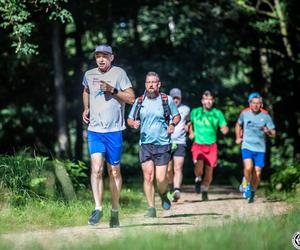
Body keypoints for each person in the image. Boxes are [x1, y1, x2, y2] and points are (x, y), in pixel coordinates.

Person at [82, 44, 135, 227]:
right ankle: (98, 208)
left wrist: (113, 90)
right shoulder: (89, 74)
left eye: (105, 55)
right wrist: (86, 108)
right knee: (96, 169)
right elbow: (86, 90)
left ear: (112, 57)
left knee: (114, 172)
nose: (101, 59)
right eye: (98, 56)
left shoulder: (119, 73)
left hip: (114, 131)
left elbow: (131, 98)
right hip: (95, 130)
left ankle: (114, 210)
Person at [127, 72, 181, 218]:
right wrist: (133, 123)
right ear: (145, 84)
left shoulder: (166, 100)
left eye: (154, 82)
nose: (151, 85)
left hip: (163, 143)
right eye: (148, 82)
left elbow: (176, 116)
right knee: (148, 176)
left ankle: (163, 194)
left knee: (161, 178)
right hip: (145, 144)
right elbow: (130, 119)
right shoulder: (139, 101)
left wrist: (172, 124)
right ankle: (151, 208)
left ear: (159, 84)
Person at [235, 92, 276, 203]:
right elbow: (238, 124)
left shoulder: (265, 116)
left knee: (257, 172)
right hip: (247, 145)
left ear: (261, 104)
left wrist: (268, 132)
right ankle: (246, 183)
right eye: (253, 103)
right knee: (248, 168)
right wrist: (238, 137)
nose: (255, 105)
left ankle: (252, 192)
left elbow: (274, 132)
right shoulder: (245, 113)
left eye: (258, 103)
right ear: (250, 103)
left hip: (260, 148)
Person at [189, 90, 228, 201]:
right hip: (198, 144)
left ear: (213, 101)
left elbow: (224, 126)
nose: (208, 101)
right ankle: (197, 178)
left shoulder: (217, 113)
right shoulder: (195, 112)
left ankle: (205, 190)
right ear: (202, 101)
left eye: (210, 99)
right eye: (206, 99)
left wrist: (225, 129)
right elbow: (189, 123)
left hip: (211, 146)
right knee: (199, 167)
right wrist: (191, 132)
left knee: (209, 172)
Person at [167, 88, 190, 202]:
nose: (175, 100)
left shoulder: (186, 109)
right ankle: (170, 187)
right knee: (168, 169)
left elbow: (189, 121)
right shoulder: (165, 108)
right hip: (166, 141)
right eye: (173, 98)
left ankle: (176, 189)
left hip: (180, 141)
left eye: (177, 98)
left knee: (178, 167)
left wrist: (188, 128)